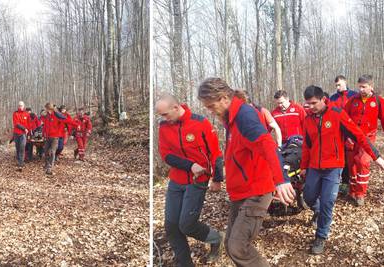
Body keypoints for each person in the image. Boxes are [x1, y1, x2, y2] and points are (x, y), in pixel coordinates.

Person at [198, 78, 295, 267]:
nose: (210, 111)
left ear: (224, 98)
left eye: (211, 106)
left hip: (256, 191)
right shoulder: (231, 118)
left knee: (238, 246)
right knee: (230, 244)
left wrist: (281, 179)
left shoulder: (244, 115)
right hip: (241, 192)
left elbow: (267, 144)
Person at [300, 85, 384, 254]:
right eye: (307, 104)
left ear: (323, 99)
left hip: (334, 167)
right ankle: (317, 211)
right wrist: (303, 166)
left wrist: (377, 157)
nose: (310, 107)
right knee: (308, 197)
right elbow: (307, 146)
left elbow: (359, 135)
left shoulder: (337, 114)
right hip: (314, 167)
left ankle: (321, 236)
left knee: (327, 202)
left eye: (313, 103)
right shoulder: (308, 119)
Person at [156, 94, 224, 267]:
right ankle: (185, 263)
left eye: (165, 114)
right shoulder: (164, 127)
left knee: (186, 224)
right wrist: (190, 165)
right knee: (171, 226)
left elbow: (215, 153)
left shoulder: (200, 123)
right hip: (176, 181)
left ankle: (216, 239)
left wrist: (217, 179)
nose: (163, 118)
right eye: (160, 115)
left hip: (198, 181)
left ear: (176, 107)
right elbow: (166, 155)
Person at [344, 75, 384, 206]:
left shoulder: (378, 101)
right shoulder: (352, 100)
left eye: (364, 87)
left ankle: (360, 194)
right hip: (352, 138)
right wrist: (346, 136)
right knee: (352, 164)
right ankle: (352, 191)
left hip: (368, 138)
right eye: (359, 86)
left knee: (363, 162)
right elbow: (343, 118)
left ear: (371, 86)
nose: (361, 89)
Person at [330, 75, 358, 194]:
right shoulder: (333, 98)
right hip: (338, 131)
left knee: (354, 158)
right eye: (336, 85)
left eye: (339, 84)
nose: (337, 87)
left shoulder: (354, 95)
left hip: (351, 129)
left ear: (345, 82)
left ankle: (355, 182)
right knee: (341, 157)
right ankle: (344, 182)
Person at [42, 102, 73, 175]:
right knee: (46, 151)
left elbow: (67, 121)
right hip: (48, 137)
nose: (47, 110)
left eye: (47, 109)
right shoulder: (47, 116)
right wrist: (44, 134)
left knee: (54, 151)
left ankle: (50, 167)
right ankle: (46, 165)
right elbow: (45, 125)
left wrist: (71, 130)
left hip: (56, 137)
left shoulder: (58, 115)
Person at [12, 101, 30, 171]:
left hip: (23, 134)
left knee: (22, 147)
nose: (20, 107)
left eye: (21, 105)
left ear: (24, 106)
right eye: (19, 105)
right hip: (17, 133)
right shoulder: (15, 113)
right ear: (18, 106)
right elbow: (16, 123)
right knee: (18, 148)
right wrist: (24, 128)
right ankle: (19, 159)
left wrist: (28, 131)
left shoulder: (26, 114)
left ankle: (21, 163)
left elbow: (29, 124)